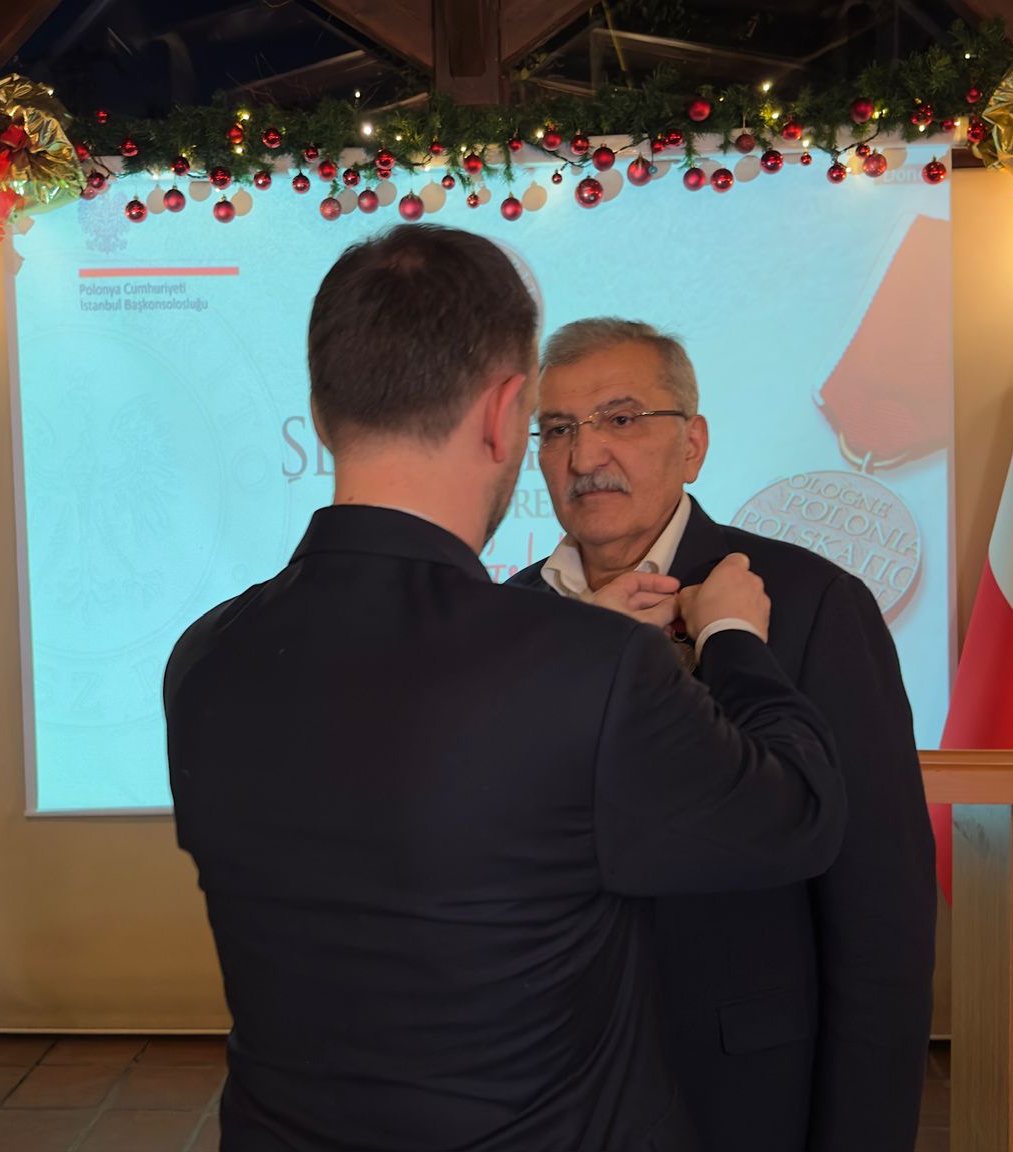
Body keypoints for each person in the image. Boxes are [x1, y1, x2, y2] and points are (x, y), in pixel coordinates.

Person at [164, 226, 847, 1152]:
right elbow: (798, 816)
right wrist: (730, 638)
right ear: (503, 415)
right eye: (552, 425)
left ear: (322, 416)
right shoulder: (590, 665)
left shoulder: (205, 656)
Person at [510, 318, 936, 1152]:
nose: (585, 453)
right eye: (557, 429)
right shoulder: (506, 619)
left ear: (693, 445)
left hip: (737, 1090)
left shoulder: (809, 603)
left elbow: (879, 907)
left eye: (621, 418)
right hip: (536, 1088)